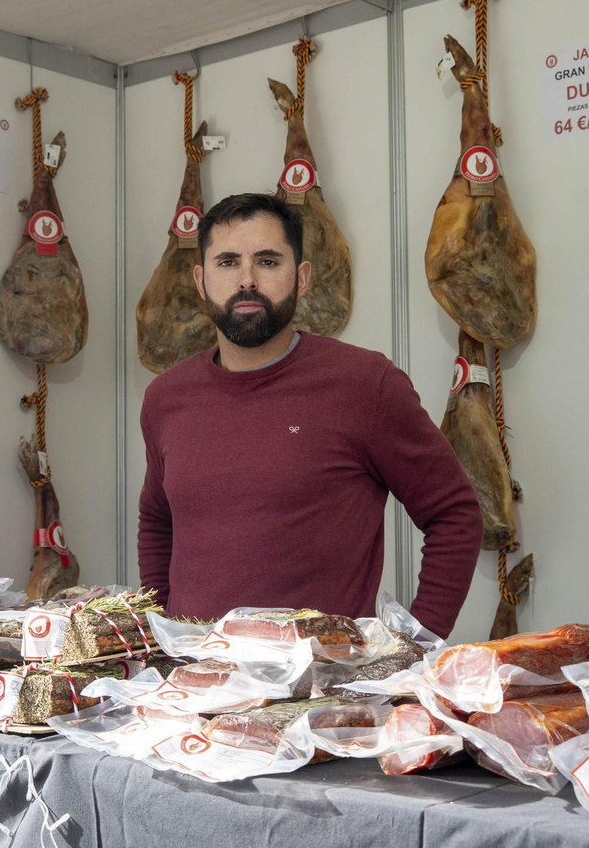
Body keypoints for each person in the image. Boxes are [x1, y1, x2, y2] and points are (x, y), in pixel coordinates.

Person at [137, 192, 482, 638]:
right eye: (227, 262)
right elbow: (157, 519)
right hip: (195, 684)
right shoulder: (166, 398)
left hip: (323, 693)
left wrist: (418, 647)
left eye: (267, 261)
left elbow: (454, 513)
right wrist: (162, 633)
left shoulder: (365, 384)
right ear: (200, 281)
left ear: (301, 278)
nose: (246, 280)